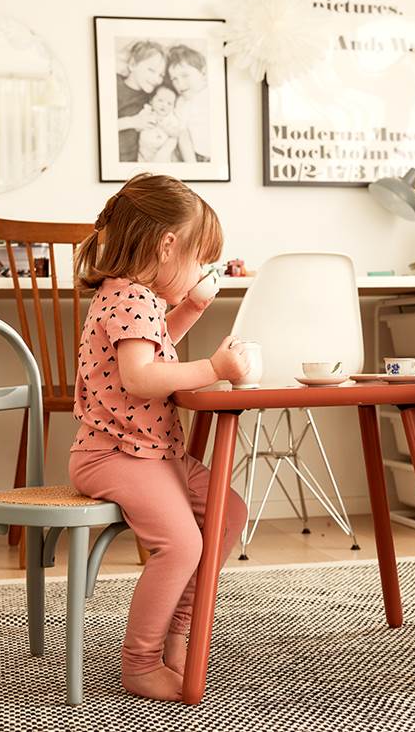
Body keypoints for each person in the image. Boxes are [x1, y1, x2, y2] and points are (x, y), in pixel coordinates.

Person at [68, 173, 249, 701]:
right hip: (115, 453)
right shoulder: (130, 297)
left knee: (226, 512)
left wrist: (190, 308)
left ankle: (179, 636)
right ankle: (141, 662)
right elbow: (141, 377)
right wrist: (213, 366)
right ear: (168, 245)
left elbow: (150, 348)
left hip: (150, 450)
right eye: (198, 258)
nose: (198, 270)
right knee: (181, 542)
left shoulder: (133, 296)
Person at [116, 42, 167, 162]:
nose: (156, 79)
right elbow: (99, 127)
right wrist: (133, 122)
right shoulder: (115, 84)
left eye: (161, 75)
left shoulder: (152, 95)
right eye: (151, 70)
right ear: (133, 64)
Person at [166, 45, 211, 162]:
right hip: (198, 157)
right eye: (174, 79)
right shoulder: (181, 102)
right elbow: (182, 134)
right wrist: (192, 165)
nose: (179, 83)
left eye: (185, 75)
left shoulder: (213, 94)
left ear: (204, 73)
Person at [137, 85, 196, 163]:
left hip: (163, 152)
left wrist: (165, 127)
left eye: (169, 103)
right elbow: (136, 127)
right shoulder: (146, 112)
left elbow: (176, 134)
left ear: (173, 107)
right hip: (144, 151)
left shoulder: (171, 118)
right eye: (160, 100)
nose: (164, 105)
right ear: (151, 101)